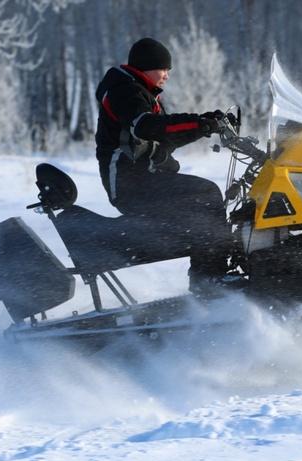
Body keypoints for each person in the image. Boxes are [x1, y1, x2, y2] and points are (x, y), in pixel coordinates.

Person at [94, 37, 231, 294]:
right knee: (206, 194)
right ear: (146, 67)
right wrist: (199, 123)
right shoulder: (124, 91)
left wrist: (205, 124)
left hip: (144, 179)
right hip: (129, 185)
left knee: (204, 201)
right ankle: (209, 282)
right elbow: (148, 126)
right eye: (163, 69)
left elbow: (166, 137)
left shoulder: (142, 93)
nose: (167, 75)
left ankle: (216, 273)